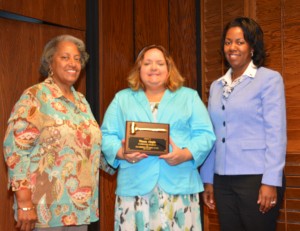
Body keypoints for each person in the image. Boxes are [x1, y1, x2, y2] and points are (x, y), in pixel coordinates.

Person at [3, 35, 113, 231]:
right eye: (65, 57)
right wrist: (24, 202)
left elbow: (90, 148)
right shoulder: (35, 96)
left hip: (78, 210)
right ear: (50, 62)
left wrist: (123, 155)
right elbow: (15, 151)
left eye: (77, 59)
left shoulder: (81, 101)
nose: (73, 63)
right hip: (44, 209)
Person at [101, 44, 216, 231]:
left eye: (160, 63)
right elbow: (106, 135)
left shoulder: (189, 97)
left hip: (179, 185)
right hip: (135, 186)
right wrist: (122, 153)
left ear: (169, 69)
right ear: (139, 69)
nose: (154, 68)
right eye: (147, 63)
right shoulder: (122, 99)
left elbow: (205, 135)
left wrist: (185, 155)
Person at [200, 17, 286, 231]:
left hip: (256, 178)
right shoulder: (217, 86)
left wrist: (270, 181)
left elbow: (276, 133)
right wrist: (208, 179)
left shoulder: (269, 79)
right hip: (222, 180)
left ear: (252, 46)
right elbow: (214, 134)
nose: (232, 47)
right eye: (228, 42)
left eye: (240, 42)